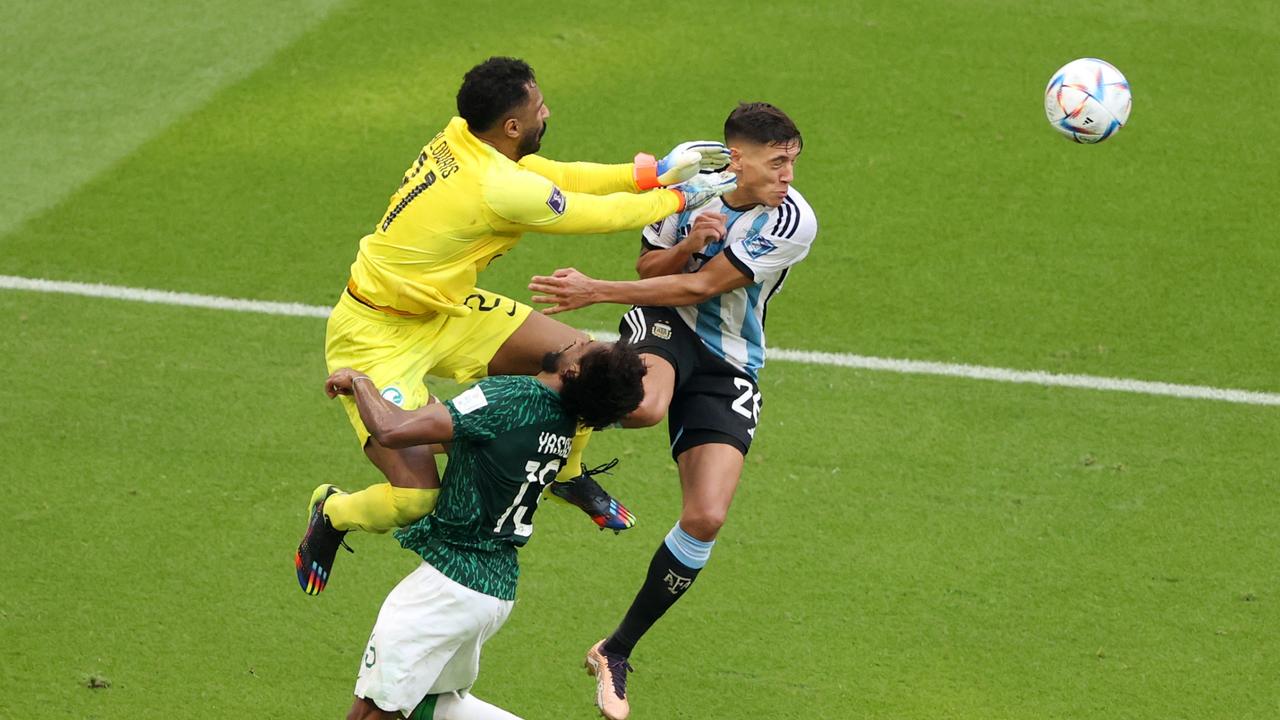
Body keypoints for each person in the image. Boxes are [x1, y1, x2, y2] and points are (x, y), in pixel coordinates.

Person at [296, 56, 736, 595]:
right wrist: (682, 196)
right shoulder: (496, 186)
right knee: (415, 500)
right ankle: (334, 511)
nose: (546, 112)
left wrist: (655, 170)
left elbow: (556, 175)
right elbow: (593, 215)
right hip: (374, 335)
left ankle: (565, 472)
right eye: (538, 108)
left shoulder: (465, 136)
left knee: (589, 360)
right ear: (511, 127)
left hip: (447, 309)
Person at [528, 102, 816, 720]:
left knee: (707, 516)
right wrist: (687, 240)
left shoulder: (793, 221)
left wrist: (595, 290)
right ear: (737, 158)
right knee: (644, 406)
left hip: (730, 361)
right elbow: (652, 270)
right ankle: (536, 394)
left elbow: (702, 287)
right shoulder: (690, 187)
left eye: (793, 160)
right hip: (662, 325)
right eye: (776, 161)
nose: (788, 174)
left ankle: (614, 651)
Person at [325, 339, 647, 719]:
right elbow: (460, 435)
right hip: (492, 591)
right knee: (433, 705)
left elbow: (392, 431)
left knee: (372, 712)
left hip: (447, 589)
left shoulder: (512, 397)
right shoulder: (562, 421)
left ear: (572, 371)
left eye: (589, 347)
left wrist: (361, 381)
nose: (580, 338)